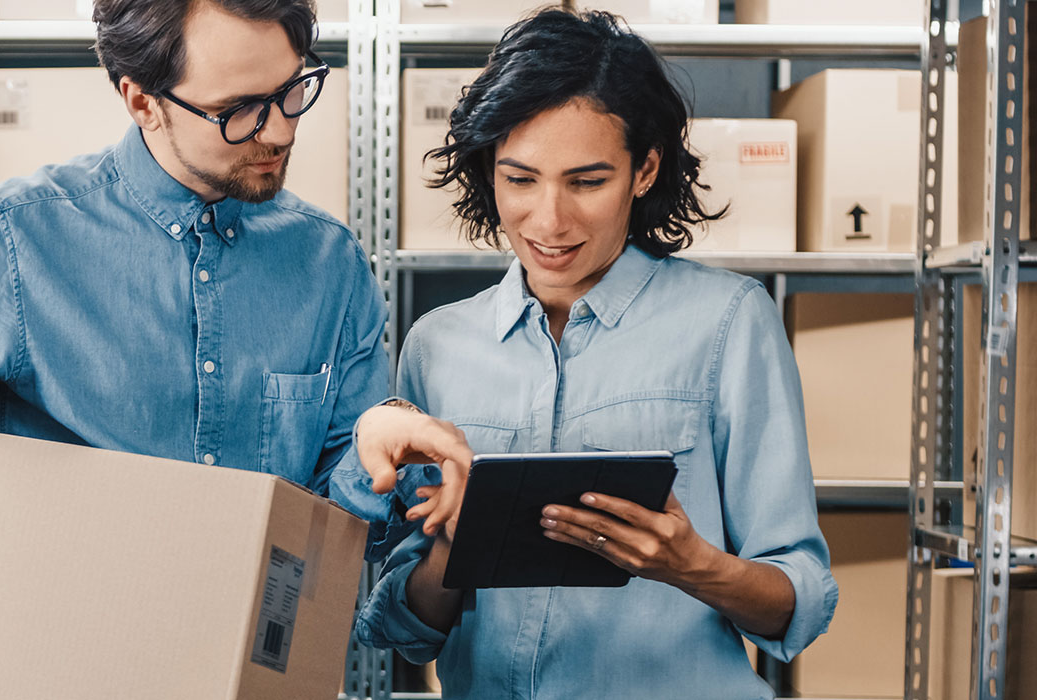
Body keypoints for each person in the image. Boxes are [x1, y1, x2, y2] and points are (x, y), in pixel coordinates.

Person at [0, 0, 474, 629]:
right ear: (142, 101)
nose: (281, 131)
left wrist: (372, 445)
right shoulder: (9, 241)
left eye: (294, 91)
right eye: (241, 110)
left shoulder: (329, 264)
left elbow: (340, 538)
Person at [354, 9, 838, 698]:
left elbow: (801, 601)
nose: (549, 220)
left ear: (644, 170)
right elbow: (405, 629)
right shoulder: (437, 345)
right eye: (520, 179)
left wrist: (691, 564)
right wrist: (452, 548)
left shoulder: (729, 322)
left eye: (586, 181)